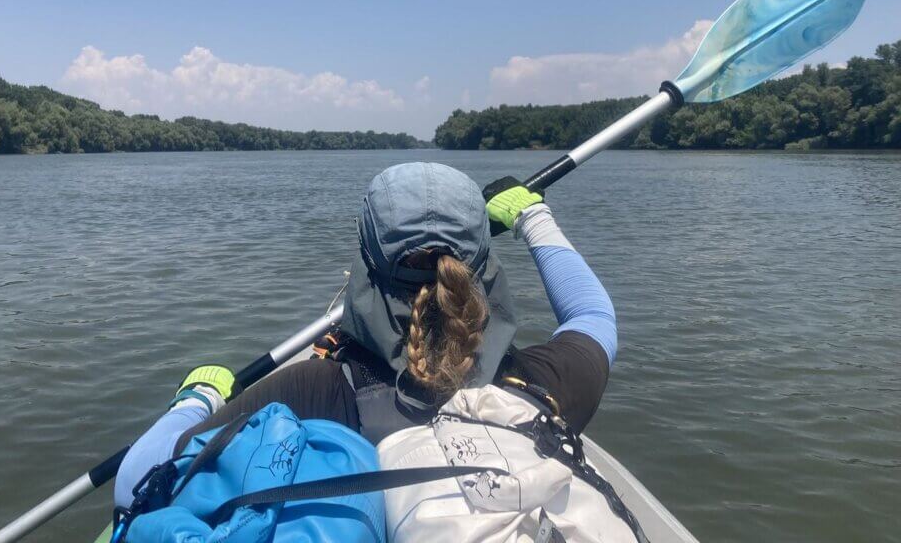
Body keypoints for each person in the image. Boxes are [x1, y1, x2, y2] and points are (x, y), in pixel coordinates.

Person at [114, 162, 618, 515]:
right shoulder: (541, 383)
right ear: (482, 270)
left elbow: (141, 479)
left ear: (364, 264)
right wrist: (534, 217)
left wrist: (196, 398)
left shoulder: (312, 390)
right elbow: (592, 316)